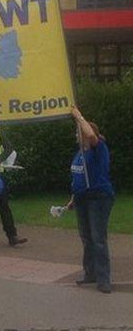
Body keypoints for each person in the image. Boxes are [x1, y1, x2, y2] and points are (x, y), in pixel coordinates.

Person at [68, 107, 115, 294]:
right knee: (87, 238)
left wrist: (78, 116)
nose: (76, 136)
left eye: (79, 133)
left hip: (98, 198)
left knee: (98, 239)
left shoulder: (98, 148)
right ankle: (91, 273)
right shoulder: (79, 154)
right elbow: (77, 178)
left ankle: (104, 279)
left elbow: (92, 137)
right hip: (82, 199)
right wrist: (73, 199)